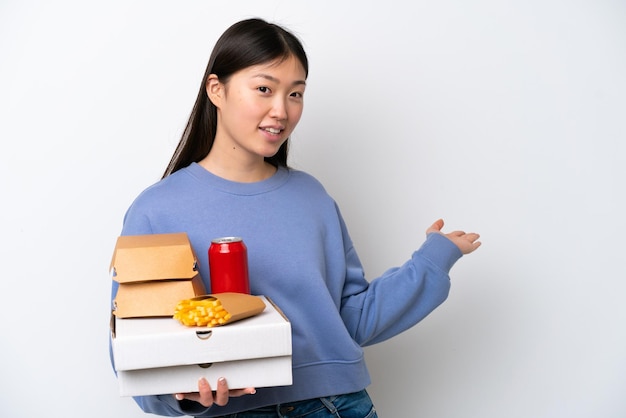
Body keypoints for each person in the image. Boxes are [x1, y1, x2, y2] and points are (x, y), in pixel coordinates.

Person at [110, 17, 481, 417]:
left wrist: (431, 261)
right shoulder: (156, 211)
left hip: (337, 406)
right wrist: (179, 395)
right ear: (216, 90)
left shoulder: (311, 198)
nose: (281, 110)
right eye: (264, 89)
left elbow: (351, 319)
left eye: (296, 94)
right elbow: (132, 344)